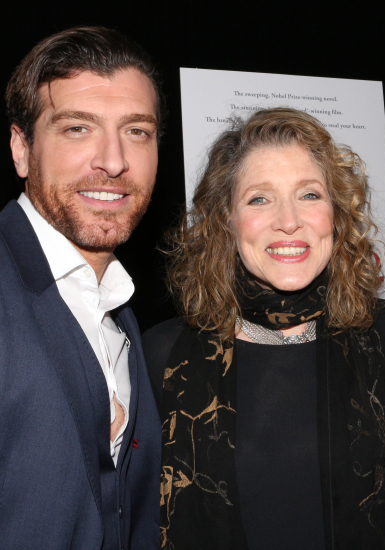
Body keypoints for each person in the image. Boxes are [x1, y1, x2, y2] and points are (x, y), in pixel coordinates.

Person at [143, 107, 385, 550]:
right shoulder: (164, 354)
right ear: (226, 220)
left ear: (338, 213)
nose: (288, 220)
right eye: (259, 198)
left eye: (309, 195)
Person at [0, 26, 164, 549]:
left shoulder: (119, 309)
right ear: (21, 148)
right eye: (76, 128)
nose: (113, 161)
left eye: (136, 131)